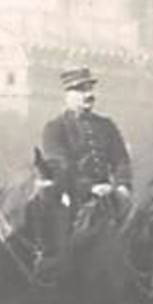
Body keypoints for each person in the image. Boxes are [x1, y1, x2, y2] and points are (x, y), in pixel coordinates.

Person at [40, 65, 132, 220]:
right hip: (73, 198)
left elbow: (121, 160)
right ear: (68, 95)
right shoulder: (55, 128)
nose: (89, 94)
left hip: (108, 196)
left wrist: (122, 185)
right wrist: (89, 188)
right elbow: (60, 167)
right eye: (81, 90)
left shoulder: (106, 125)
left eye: (90, 89)